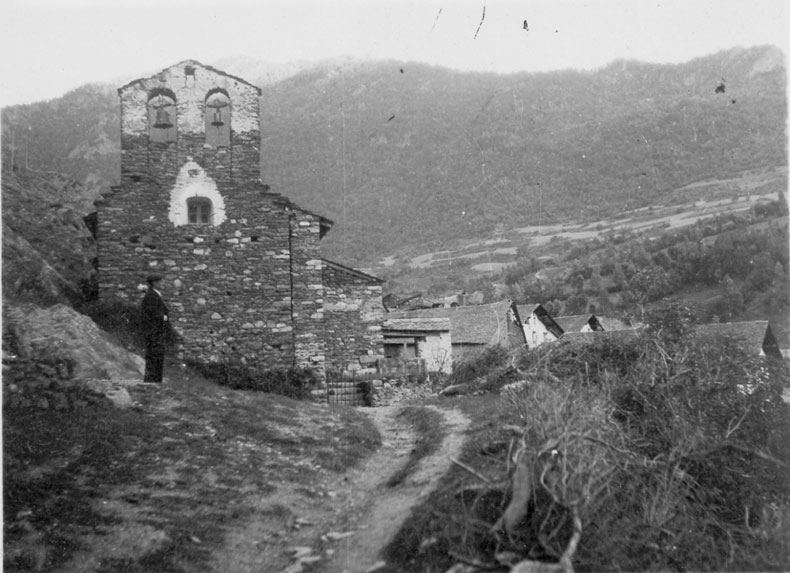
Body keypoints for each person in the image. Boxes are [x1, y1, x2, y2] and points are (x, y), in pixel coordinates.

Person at [141, 274, 169, 383]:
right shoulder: (151, 296)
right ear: (155, 283)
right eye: (160, 281)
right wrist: (164, 317)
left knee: (157, 355)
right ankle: (153, 380)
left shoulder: (155, 295)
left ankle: (155, 379)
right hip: (154, 331)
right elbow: (151, 313)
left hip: (156, 331)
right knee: (154, 355)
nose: (162, 284)